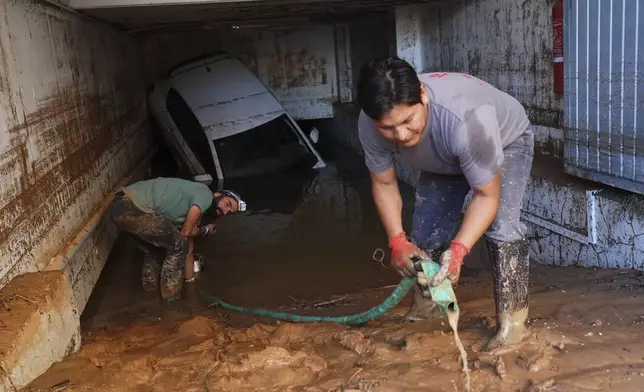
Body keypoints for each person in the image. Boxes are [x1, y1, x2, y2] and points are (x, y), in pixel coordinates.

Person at [356, 56, 533, 349]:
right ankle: (430, 312)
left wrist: (460, 249)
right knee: (426, 231)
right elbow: (384, 183)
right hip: (445, 155)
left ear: (422, 95)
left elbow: (486, 196)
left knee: (502, 227)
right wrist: (397, 241)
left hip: (502, 141)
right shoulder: (370, 122)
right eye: (387, 128)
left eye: (407, 121)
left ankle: (513, 324)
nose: (400, 135)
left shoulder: (465, 120)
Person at [107, 177, 246, 300]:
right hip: (130, 207)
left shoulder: (194, 209)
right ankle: (170, 298)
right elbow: (185, 233)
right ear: (218, 195)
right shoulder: (206, 195)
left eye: (229, 212)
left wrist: (191, 282)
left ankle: (149, 296)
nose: (224, 211)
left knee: (155, 250)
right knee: (178, 245)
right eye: (227, 204)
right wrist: (206, 230)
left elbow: (189, 249)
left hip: (119, 207)